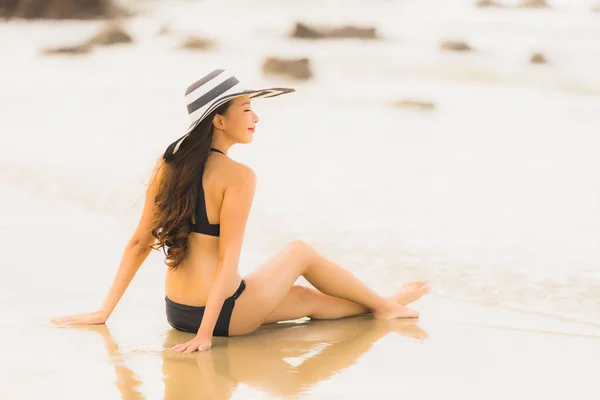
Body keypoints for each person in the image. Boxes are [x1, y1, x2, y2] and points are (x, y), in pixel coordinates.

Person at [52, 69, 431, 353]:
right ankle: (386, 306)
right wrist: (205, 335)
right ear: (219, 120)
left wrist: (104, 311)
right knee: (299, 251)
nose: (256, 118)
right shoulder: (238, 176)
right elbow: (228, 258)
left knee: (305, 298)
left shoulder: (167, 165)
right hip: (221, 316)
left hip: (177, 312)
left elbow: (138, 243)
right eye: (247, 109)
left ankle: (388, 302)